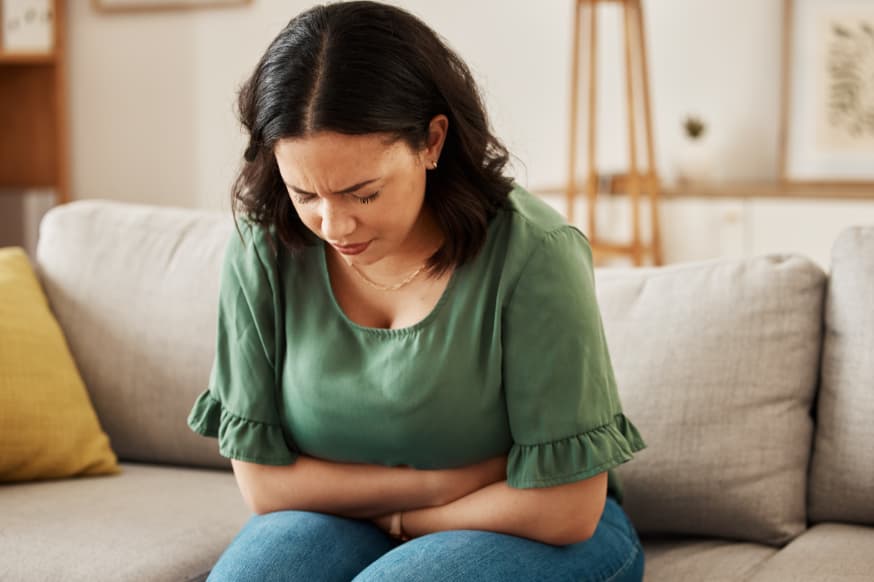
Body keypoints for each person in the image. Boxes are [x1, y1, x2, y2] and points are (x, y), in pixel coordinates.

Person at [187, 2, 647, 580]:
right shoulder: (265, 247)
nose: (333, 226)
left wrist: (411, 524)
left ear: (432, 141)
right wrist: (433, 487)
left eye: (363, 193)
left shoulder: (534, 253)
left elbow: (567, 507)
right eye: (305, 194)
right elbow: (263, 484)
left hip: (535, 528)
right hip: (343, 519)